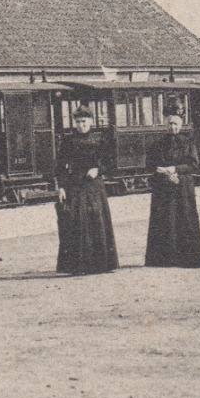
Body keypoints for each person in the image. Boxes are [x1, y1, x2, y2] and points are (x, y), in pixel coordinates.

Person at [54, 106, 119, 275]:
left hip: (94, 185)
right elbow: (60, 166)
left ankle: (101, 264)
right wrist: (61, 187)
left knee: (97, 220)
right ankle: (78, 265)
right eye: (78, 122)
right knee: (77, 222)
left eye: (84, 121)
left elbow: (110, 162)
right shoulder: (68, 141)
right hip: (75, 185)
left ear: (91, 121)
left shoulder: (100, 139)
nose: (81, 125)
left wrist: (98, 170)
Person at [144, 113, 200, 268]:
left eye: (176, 124)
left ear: (181, 124)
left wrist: (175, 169)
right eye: (170, 123)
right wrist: (162, 172)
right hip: (163, 186)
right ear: (165, 125)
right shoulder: (158, 143)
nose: (173, 127)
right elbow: (150, 164)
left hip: (182, 185)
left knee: (184, 218)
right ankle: (164, 259)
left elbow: (193, 164)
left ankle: (186, 258)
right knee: (165, 219)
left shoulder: (188, 142)